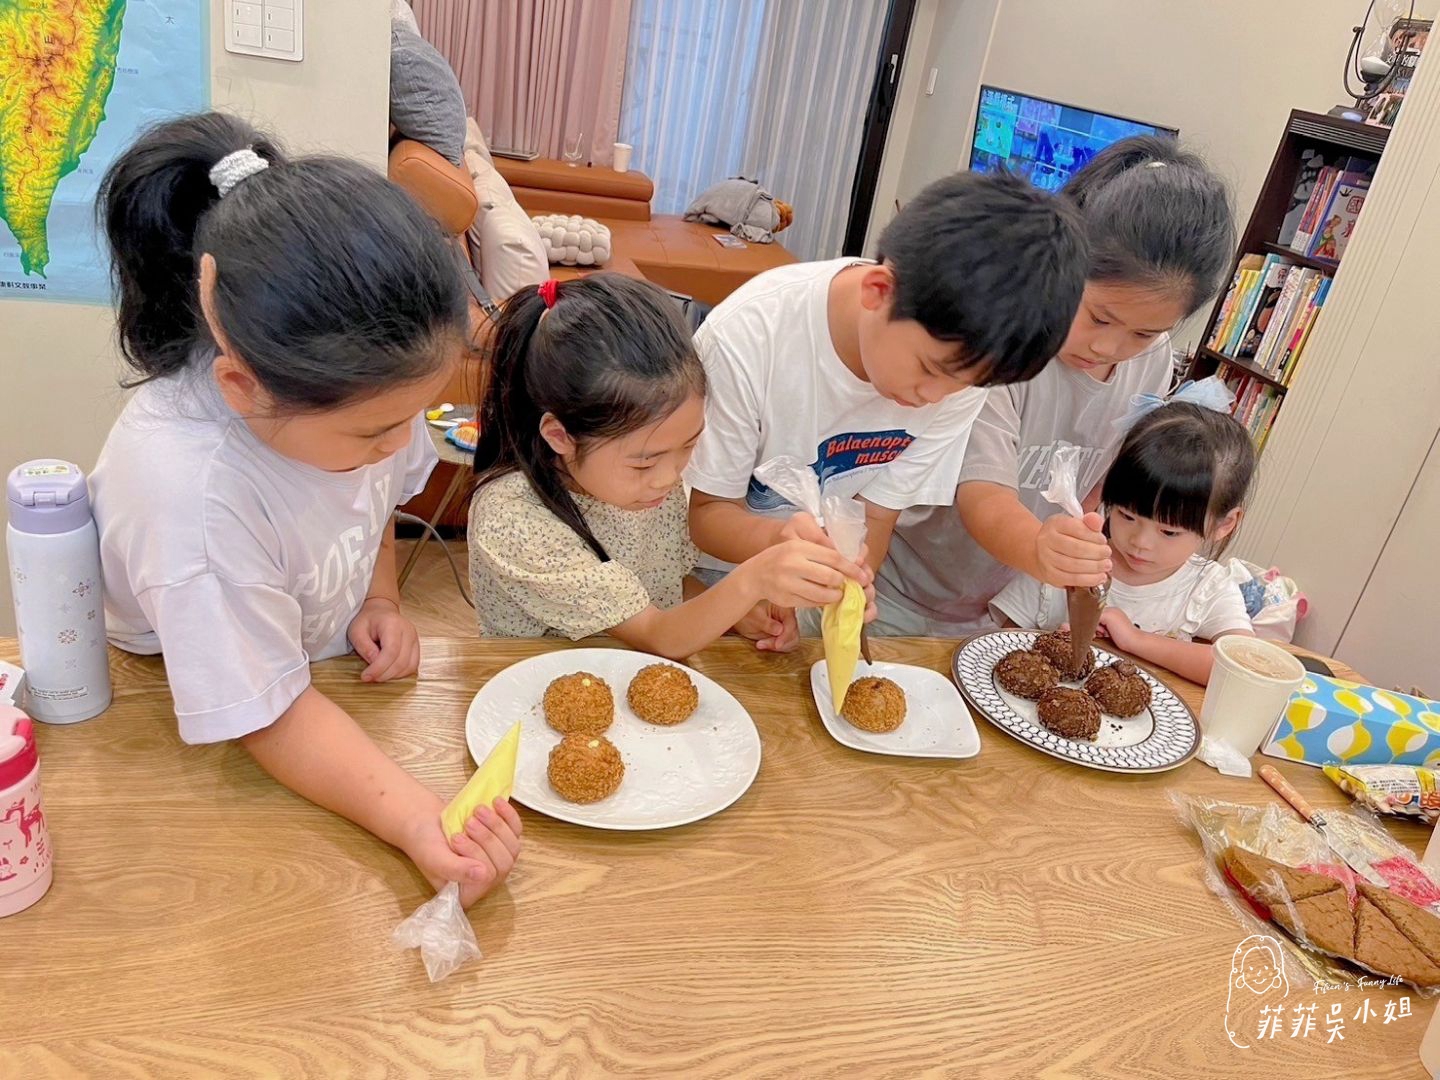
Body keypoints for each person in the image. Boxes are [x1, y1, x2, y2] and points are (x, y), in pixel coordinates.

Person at [90, 112, 520, 908]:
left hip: (310, 677)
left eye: (409, 418)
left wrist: (378, 595)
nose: (399, 448)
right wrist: (416, 819)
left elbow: (378, 494)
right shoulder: (190, 497)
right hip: (184, 713)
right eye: (375, 432)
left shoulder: (352, 404)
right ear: (242, 387)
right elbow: (268, 715)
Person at [685, 170, 1089, 641]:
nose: (933, 399)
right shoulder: (750, 336)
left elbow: (876, 517)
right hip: (711, 574)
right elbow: (707, 515)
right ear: (878, 291)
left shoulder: (962, 379)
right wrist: (775, 555)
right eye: (930, 369)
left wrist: (844, 584)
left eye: (964, 385)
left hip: (798, 588)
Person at [876, 135, 1235, 637]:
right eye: (1099, 317)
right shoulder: (1009, 340)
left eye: (1145, 332)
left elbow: (1096, 483)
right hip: (898, 592)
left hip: (1001, 608)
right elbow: (982, 490)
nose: (1111, 348)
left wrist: (1078, 544)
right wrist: (1041, 549)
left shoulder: (1151, 363)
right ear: (1064, 265)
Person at [467, 274, 870, 657]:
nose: (669, 478)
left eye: (688, 446)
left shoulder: (651, 486)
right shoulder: (513, 518)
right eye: (644, 464)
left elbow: (666, 587)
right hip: (537, 692)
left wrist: (737, 611)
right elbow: (655, 633)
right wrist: (752, 581)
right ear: (560, 437)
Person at [990, 398, 1256, 684]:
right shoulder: (1073, 560)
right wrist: (1048, 646)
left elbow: (1243, 671)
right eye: (1127, 516)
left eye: (1169, 532)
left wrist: (1135, 640)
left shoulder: (1208, 587)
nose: (1140, 542)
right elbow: (1000, 648)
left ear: (1224, 523)